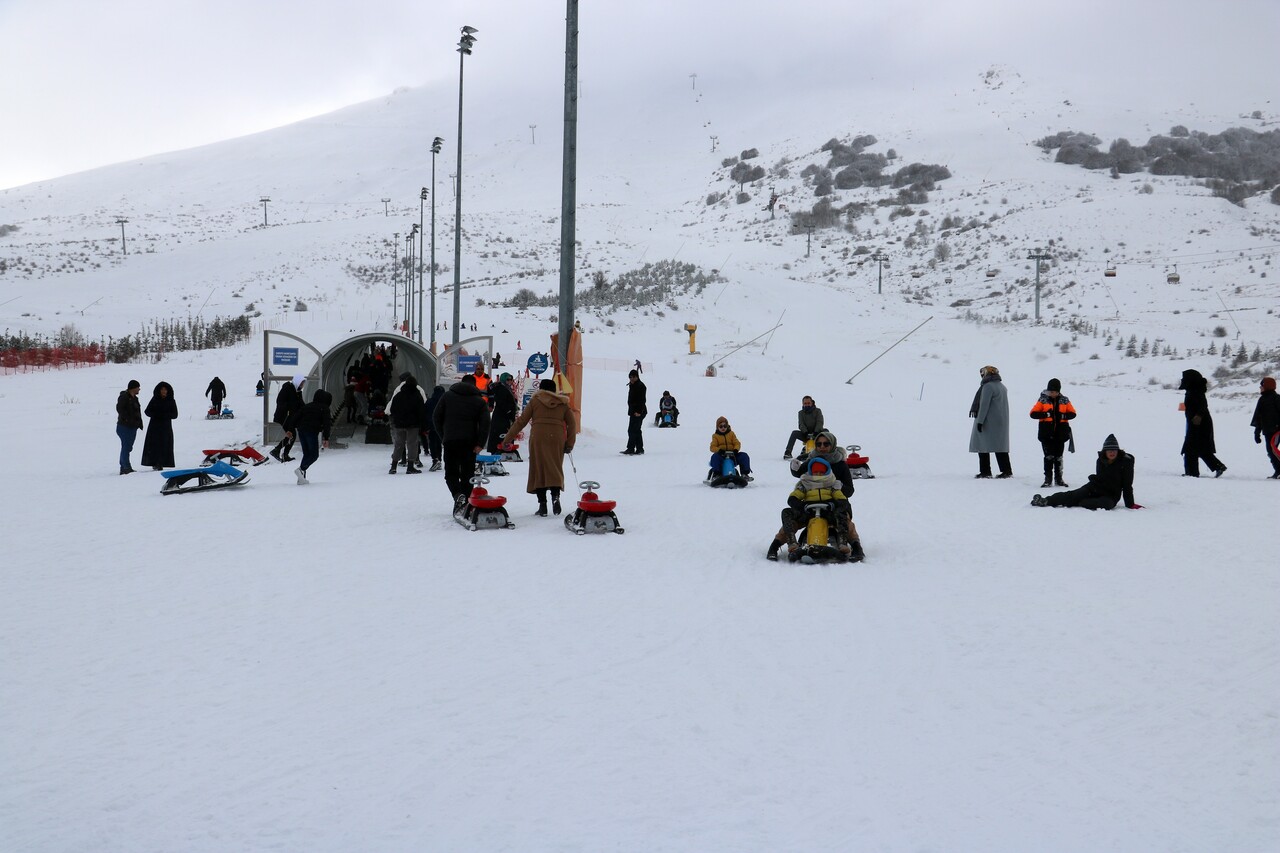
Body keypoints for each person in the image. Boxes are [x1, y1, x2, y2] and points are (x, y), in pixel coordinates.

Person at [767, 429, 864, 560]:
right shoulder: (812, 461)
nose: (822, 447)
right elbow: (801, 474)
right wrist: (794, 470)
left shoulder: (840, 465)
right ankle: (776, 546)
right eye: (819, 444)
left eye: (826, 444)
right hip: (809, 507)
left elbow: (849, 490)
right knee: (790, 520)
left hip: (834, 506)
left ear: (832, 445)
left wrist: (838, 493)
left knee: (845, 521)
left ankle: (855, 547)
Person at [503, 378, 576, 516]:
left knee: (539, 469)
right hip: (556, 438)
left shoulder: (535, 401)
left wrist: (508, 438)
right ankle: (555, 497)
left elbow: (522, 421)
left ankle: (543, 506)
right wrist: (570, 443)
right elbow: (572, 424)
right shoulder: (563, 403)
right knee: (555, 468)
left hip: (538, 437)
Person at [771, 457, 853, 562]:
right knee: (787, 512)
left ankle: (842, 542)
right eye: (815, 472)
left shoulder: (832, 484)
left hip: (828, 513)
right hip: (808, 513)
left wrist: (833, 504)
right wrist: (802, 505)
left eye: (821, 472)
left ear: (826, 472)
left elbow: (842, 500)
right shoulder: (805, 484)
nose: (818, 474)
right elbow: (793, 498)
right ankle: (791, 541)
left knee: (841, 513)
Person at [1032, 434, 1139, 510]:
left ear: (1118, 451)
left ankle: (1082, 502)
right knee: (1073, 495)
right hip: (1094, 487)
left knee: (1106, 504)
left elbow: (1127, 485)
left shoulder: (1126, 463)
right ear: (1105, 451)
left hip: (1111, 495)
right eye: (1109, 450)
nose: (1112, 452)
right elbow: (1100, 478)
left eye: (1114, 450)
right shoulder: (1100, 460)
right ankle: (1046, 500)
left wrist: (1130, 504)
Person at [432, 373, 491, 506]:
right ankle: (464, 502)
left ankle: (457, 495)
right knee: (467, 474)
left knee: (451, 473)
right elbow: (485, 423)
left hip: (450, 441)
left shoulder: (447, 396)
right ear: (474, 385)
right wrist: (480, 443)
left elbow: (436, 417)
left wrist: (444, 436)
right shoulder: (480, 401)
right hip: (469, 443)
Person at [1029, 377, 1077, 488]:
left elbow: (1073, 413)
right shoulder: (1042, 400)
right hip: (1046, 434)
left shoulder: (1065, 400)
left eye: (1055, 391)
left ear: (1059, 391)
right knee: (1048, 456)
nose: (1053, 393)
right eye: (1051, 391)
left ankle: (1059, 479)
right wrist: (1046, 414)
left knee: (1059, 457)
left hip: (1061, 435)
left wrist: (1063, 416)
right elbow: (1033, 414)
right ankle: (1048, 479)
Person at [1178, 368, 1226, 477]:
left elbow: (1203, 406)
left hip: (1199, 423)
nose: (1182, 380)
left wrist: (1198, 416)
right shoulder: (1194, 390)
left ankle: (1191, 473)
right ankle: (1218, 466)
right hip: (1198, 423)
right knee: (1200, 448)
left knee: (1191, 449)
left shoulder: (1195, 392)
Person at [969, 365, 1012, 478]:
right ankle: (1007, 471)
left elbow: (984, 405)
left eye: (983, 374)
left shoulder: (988, 387)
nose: (982, 376)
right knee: (1000, 446)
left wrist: (980, 421)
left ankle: (985, 471)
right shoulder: (1002, 386)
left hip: (988, 421)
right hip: (1001, 421)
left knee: (982, 445)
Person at [284, 388, 332, 485]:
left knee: (307, 454)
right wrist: (326, 438)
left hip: (301, 430)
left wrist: (290, 429)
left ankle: (301, 479)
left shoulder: (307, 406)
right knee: (314, 455)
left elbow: (295, 417)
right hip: (311, 432)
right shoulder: (325, 408)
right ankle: (301, 469)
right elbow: (327, 424)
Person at [387, 372, 427, 474]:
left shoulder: (398, 395)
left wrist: (397, 419)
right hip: (413, 425)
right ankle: (410, 467)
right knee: (412, 444)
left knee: (399, 445)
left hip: (399, 424)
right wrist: (422, 424)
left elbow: (393, 409)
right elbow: (421, 411)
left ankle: (393, 466)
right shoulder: (417, 396)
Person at [140, 381, 177, 470]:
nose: (164, 391)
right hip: (154, 427)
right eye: (162, 389)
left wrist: (165, 415)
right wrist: (157, 415)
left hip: (166, 427)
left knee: (165, 445)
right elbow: (147, 411)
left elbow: (175, 415)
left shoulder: (171, 401)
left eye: (165, 390)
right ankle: (155, 462)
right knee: (154, 446)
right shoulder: (155, 399)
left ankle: (163, 462)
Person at [1249, 376, 1280, 479]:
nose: (1260, 388)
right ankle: (1278, 471)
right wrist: (1256, 433)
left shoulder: (1277, 398)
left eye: (1261, 385)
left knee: (1273, 450)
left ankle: (1278, 471)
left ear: (1266, 386)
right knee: (1271, 451)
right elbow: (1258, 417)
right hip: (1268, 431)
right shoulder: (1262, 400)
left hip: (1277, 430)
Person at [270, 375, 305, 462]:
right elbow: (280, 402)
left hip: (291, 417)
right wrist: (289, 407)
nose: (302, 385)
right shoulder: (287, 389)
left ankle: (282, 453)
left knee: (292, 435)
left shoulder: (298, 391)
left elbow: (300, 404)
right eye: (301, 383)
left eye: (303, 383)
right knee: (292, 434)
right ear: (297, 382)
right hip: (283, 416)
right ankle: (278, 451)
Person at [486, 372, 519, 454]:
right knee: (502, 434)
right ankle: (499, 449)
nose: (510, 381)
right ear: (503, 380)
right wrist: (509, 411)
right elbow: (502, 403)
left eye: (511, 379)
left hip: (503, 416)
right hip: (502, 418)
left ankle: (501, 449)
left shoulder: (506, 388)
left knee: (504, 434)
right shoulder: (501, 389)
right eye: (508, 379)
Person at [116, 379, 143, 474]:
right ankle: (125, 467)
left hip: (133, 427)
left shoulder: (135, 398)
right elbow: (120, 409)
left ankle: (125, 466)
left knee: (128, 447)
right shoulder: (124, 397)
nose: (139, 389)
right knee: (126, 446)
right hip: (124, 426)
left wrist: (139, 423)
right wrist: (127, 419)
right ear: (133, 388)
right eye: (137, 387)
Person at [622, 368, 647, 455]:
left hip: (639, 412)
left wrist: (639, 411)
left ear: (637, 377)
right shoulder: (632, 385)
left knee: (633, 430)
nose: (631, 379)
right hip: (633, 411)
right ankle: (637, 448)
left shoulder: (640, 386)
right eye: (630, 377)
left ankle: (634, 448)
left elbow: (642, 400)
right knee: (634, 430)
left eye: (633, 377)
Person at [423, 384, 445, 471]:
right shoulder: (445, 401)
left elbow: (424, 414)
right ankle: (440, 459)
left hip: (432, 426)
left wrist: (425, 426)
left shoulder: (429, 402)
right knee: (440, 443)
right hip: (443, 426)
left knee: (432, 443)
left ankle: (435, 459)